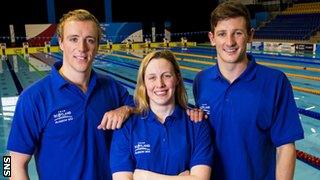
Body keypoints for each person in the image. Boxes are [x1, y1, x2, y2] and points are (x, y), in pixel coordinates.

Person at [7, 9, 134, 180]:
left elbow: (144, 109)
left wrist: (126, 109)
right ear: (61, 42)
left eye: (89, 40)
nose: (81, 48)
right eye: (73, 39)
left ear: (97, 45)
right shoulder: (33, 98)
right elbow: (9, 162)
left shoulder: (112, 88)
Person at [192, 1, 304, 179]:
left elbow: (285, 147)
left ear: (250, 35)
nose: (230, 42)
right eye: (222, 34)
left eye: (237, 33)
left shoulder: (275, 82)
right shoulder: (201, 80)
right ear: (212, 38)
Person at [110, 50, 214, 180]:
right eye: (152, 77)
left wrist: (145, 176)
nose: (160, 84)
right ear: (144, 83)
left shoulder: (197, 124)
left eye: (166, 76)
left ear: (177, 79)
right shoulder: (126, 127)